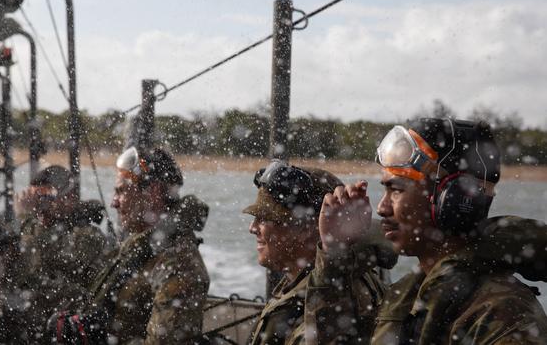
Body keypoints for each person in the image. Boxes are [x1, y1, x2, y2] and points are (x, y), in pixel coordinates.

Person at [316, 118, 547, 343]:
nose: (382, 207)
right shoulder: (407, 298)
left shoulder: (502, 313)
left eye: (396, 190)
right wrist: (335, 251)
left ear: (455, 199)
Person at [50, 147, 210, 344]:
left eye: (121, 191)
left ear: (153, 193)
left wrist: (103, 338)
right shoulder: (140, 247)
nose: (113, 203)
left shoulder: (177, 262)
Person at [243, 161, 397, 344]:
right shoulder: (308, 278)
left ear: (306, 229)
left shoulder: (338, 292)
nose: (252, 228)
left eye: (264, 219)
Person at [16, 165, 106, 340]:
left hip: (71, 329)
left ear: (70, 198)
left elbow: (62, 258)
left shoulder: (88, 235)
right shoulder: (35, 229)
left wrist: (26, 219)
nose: (40, 204)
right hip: (39, 326)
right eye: (36, 196)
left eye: (46, 195)